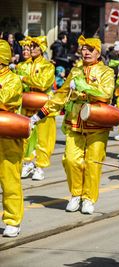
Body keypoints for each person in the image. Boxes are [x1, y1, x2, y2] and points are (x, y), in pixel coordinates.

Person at [30, 35, 115, 214]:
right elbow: (60, 95)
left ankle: (89, 198)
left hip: (97, 123)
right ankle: (76, 194)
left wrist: (84, 87)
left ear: (98, 53)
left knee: (93, 163)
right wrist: (39, 115)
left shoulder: (106, 72)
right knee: (70, 160)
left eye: (90, 50)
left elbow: (106, 94)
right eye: (83, 49)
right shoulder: (75, 72)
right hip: (75, 122)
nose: (85, 53)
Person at [20, 36, 56, 181]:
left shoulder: (48, 66)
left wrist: (24, 79)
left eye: (35, 46)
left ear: (41, 49)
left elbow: (42, 84)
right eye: (31, 45)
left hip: (43, 107)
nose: (32, 48)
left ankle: (40, 167)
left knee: (43, 139)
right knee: (25, 136)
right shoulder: (23, 66)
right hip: (27, 105)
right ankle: (27, 163)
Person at [0, 39, 24, 237]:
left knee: (10, 180)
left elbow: (5, 100)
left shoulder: (13, 79)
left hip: (8, 136)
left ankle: (13, 220)